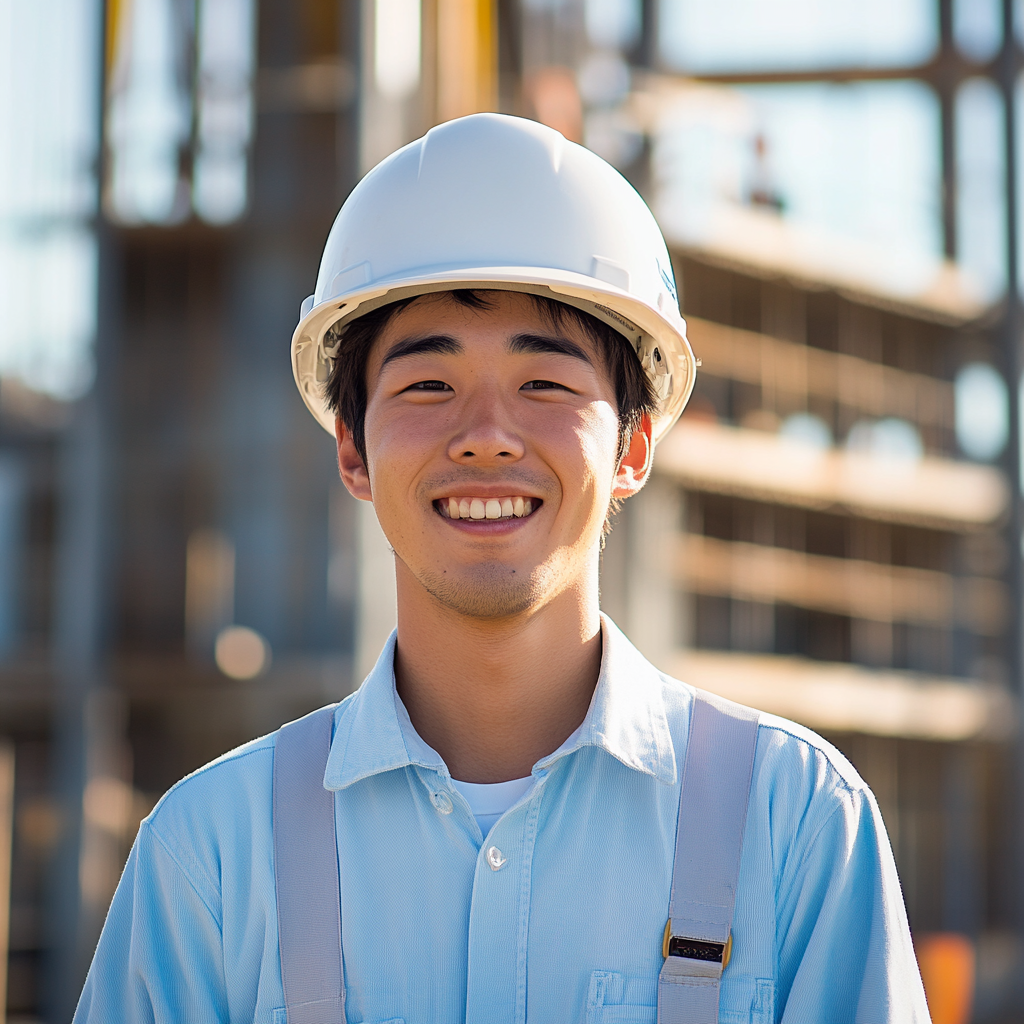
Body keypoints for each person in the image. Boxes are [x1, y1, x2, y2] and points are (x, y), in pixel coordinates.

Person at [74, 114, 930, 1023]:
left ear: (634, 445)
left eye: (546, 385)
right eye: (428, 386)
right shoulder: (209, 854)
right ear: (352, 451)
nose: (486, 436)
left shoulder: (796, 827)